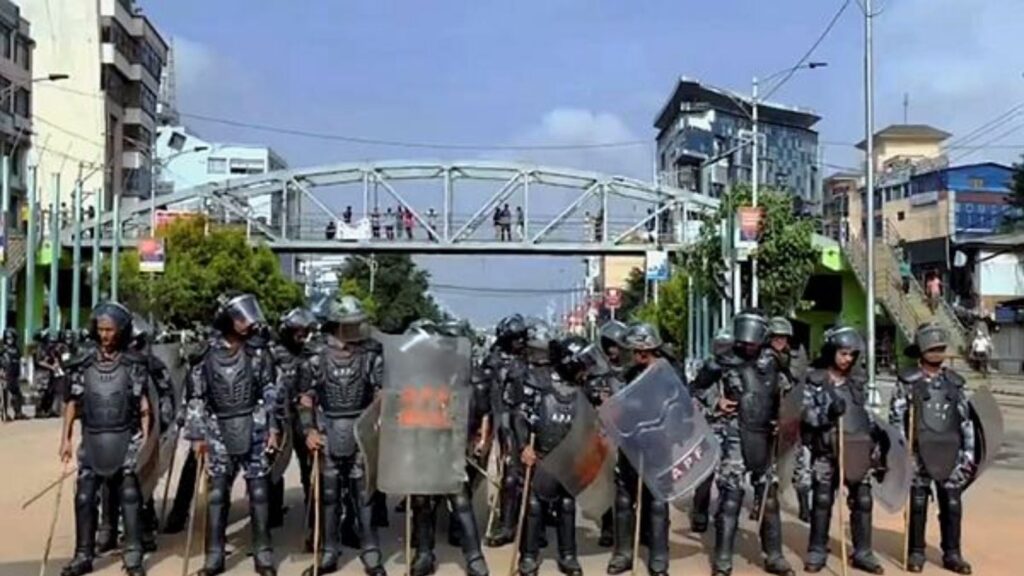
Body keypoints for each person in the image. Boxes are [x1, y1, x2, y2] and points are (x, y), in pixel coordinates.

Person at [184, 294, 282, 576]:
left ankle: (263, 553)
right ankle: (214, 555)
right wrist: (198, 435)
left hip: (254, 424)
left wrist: (273, 428)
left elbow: (270, 392)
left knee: (259, 491)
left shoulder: (259, 353)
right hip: (217, 429)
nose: (245, 323)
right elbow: (196, 397)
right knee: (217, 493)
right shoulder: (206, 355)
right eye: (239, 318)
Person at [59, 302, 151, 576]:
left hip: (126, 436)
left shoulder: (134, 364)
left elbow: (144, 404)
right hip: (93, 437)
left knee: (130, 495)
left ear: (120, 331)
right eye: (100, 329)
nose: (105, 335)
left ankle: (133, 554)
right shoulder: (83, 363)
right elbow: (72, 403)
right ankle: (83, 554)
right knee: (85, 496)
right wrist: (65, 439)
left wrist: (146, 440)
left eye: (110, 330)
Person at [299, 296, 387, 576]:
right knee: (329, 495)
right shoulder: (315, 356)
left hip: (360, 429)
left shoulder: (371, 354)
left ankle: (370, 549)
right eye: (351, 323)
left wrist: (378, 419)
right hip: (328, 429)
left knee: (365, 494)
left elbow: (380, 392)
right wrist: (309, 430)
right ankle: (329, 550)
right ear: (337, 324)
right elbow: (305, 398)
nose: (357, 327)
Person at [709, 311, 794, 576]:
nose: (748, 346)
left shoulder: (774, 361)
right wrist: (716, 401)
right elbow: (696, 388)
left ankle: (774, 555)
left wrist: (785, 417)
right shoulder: (722, 361)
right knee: (731, 497)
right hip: (735, 433)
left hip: (766, 434)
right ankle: (723, 558)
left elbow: (790, 391)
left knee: (769, 497)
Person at [890, 323, 975, 575]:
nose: (938, 353)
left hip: (950, 452)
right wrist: (901, 452)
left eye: (941, 348)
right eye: (933, 348)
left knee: (952, 503)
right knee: (917, 503)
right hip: (918, 454)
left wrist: (968, 455)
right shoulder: (908, 382)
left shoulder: (955, 383)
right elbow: (896, 418)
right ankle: (916, 551)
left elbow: (966, 421)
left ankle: (952, 553)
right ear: (922, 350)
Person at [801, 327, 886, 574]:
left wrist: (877, 438)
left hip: (857, 449)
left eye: (852, 354)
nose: (847, 359)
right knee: (822, 499)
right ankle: (817, 549)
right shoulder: (815, 381)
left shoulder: (858, 384)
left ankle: (863, 552)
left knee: (863, 499)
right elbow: (805, 414)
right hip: (826, 450)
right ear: (831, 352)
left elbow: (868, 415)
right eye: (843, 353)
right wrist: (826, 413)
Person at [408, 320, 490, 576]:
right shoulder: (416, 376)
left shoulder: (461, 375)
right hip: (422, 444)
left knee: (460, 499)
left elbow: (476, 410)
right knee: (422, 501)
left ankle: (474, 556)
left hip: (450, 446)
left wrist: (474, 439)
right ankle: (424, 553)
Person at [512, 329, 584, 576]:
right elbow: (520, 415)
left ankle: (568, 555)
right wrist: (524, 446)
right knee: (534, 505)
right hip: (541, 453)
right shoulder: (539, 381)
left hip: (569, 457)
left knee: (567, 505)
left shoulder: (581, 387)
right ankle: (529, 556)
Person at [606, 323, 672, 576]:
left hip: (658, 447)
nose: (631, 355)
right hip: (630, 444)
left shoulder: (668, 374)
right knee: (624, 498)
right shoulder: (629, 374)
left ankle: (658, 558)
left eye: (634, 350)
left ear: (645, 350)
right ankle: (623, 553)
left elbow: (680, 411)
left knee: (656, 501)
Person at [269, 308, 318, 530]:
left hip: (304, 416)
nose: (302, 334)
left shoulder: (311, 354)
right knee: (274, 465)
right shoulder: (272, 354)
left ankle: (313, 516)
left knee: (310, 468)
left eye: (305, 330)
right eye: (298, 330)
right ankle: (272, 513)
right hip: (279, 416)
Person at [485, 314, 530, 547]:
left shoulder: (531, 360)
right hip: (506, 421)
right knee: (511, 476)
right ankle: (507, 524)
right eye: (515, 338)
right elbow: (490, 397)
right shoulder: (493, 361)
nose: (519, 342)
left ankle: (533, 526)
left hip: (529, 421)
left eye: (522, 337)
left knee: (533, 476)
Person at [689, 328, 734, 534]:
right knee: (705, 474)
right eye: (720, 346)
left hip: (733, 426)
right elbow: (697, 392)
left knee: (730, 476)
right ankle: (699, 511)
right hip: (711, 425)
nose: (723, 351)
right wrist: (716, 402)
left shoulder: (738, 368)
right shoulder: (707, 368)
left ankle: (724, 513)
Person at [1, 328, 26, 420]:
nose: (9, 340)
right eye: (8, 338)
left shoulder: (16, 349)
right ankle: (4, 414)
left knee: (17, 395)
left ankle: (18, 413)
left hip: (15, 375)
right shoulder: (3, 349)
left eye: (11, 338)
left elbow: (19, 361)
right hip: (6, 375)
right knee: (5, 396)